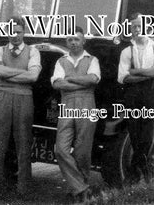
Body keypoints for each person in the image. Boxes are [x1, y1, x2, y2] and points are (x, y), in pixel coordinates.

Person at [0, 16, 41, 199]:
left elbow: (33, 77)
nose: (15, 35)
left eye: (18, 31)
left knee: (23, 144)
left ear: (24, 32)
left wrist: (6, 75)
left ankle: (24, 189)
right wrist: (21, 73)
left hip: (24, 99)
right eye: (11, 31)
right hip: (2, 98)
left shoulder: (33, 51)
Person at [51, 26, 101, 202]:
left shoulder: (92, 59)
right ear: (66, 42)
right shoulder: (61, 61)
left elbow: (93, 79)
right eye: (70, 39)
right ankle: (81, 187)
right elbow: (57, 84)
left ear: (83, 41)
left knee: (82, 150)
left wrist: (70, 78)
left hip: (87, 104)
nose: (73, 42)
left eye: (76, 39)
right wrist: (82, 82)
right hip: (67, 104)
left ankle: (80, 190)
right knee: (61, 149)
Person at [117, 13, 154, 182]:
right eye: (134, 27)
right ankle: (147, 176)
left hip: (152, 92)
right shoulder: (126, 51)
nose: (137, 30)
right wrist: (148, 74)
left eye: (140, 26)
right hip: (133, 93)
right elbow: (123, 77)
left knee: (150, 133)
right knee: (135, 132)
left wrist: (136, 71)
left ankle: (137, 173)